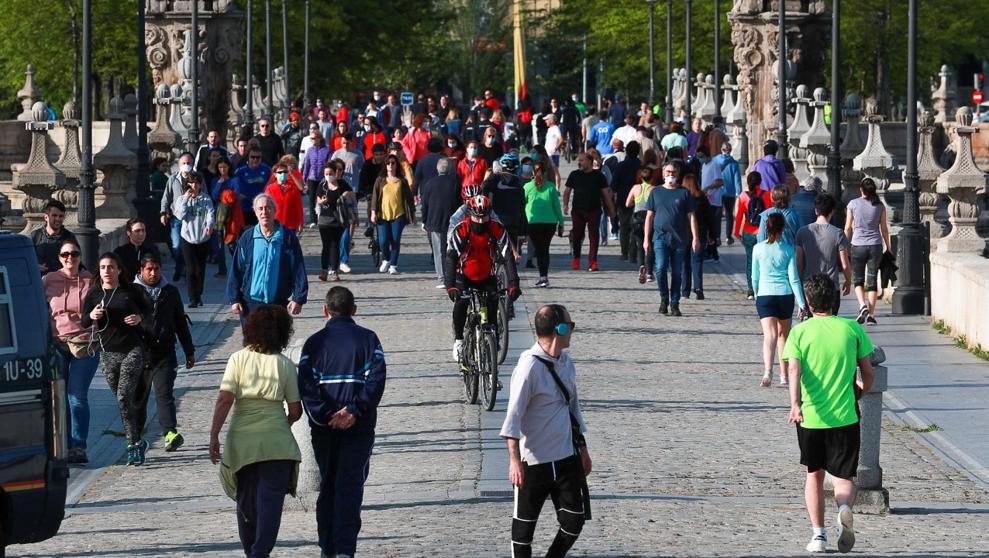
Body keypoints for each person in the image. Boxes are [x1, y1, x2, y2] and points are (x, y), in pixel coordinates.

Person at [782, 273, 875, 555]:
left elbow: (793, 369)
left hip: (810, 416)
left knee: (814, 475)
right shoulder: (852, 330)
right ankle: (844, 509)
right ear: (834, 300)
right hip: (845, 415)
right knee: (844, 478)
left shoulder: (800, 332)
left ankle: (818, 536)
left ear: (808, 302)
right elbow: (867, 372)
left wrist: (795, 403)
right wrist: (860, 391)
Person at [297, 286, 386, 558]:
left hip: (324, 429)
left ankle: (327, 547)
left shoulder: (313, 344)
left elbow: (306, 385)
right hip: (359, 427)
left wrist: (326, 415)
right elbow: (376, 380)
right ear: (354, 310)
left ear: (326, 310)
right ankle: (345, 549)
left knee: (329, 484)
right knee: (350, 485)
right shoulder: (369, 340)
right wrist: (354, 411)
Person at [209, 304, 302, 558]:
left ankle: (252, 551)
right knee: (271, 504)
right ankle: (261, 551)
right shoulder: (284, 365)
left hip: (243, 443)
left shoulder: (237, 359)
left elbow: (225, 400)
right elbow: (295, 411)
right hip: (277, 444)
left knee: (246, 503)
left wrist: (214, 435)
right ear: (283, 333)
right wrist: (282, 424)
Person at [500, 303, 591, 558]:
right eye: (570, 326)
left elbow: (574, 409)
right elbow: (513, 417)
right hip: (534, 462)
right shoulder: (529, 368)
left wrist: (582, 449)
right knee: (523, 535)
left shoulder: (566, 363)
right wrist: (514, 461)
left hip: (565, 457)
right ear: (559, 329)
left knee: (575, 521)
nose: (572, 331)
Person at [81, 252, 153, 465]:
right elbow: (84, 320)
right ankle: (138, 440)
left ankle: (132, 446)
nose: (107, 271)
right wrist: (92, 316)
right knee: (123, 402)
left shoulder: (131, 291)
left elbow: (149, 311)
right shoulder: (94, 294)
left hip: (132, 349)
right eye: (103, 267)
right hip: (107, 353)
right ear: (99, 271)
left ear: (119, 270)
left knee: (123, 397)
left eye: (111, 267)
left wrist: (139, 317)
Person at [445, 195, 521, 362]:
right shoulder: (462, 229)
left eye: (484, 217)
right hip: (464, 275)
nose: (480, 222)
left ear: (489, 215)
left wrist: (514, 283)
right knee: (461, 303)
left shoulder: (496, 228)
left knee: (493, 299)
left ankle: (492, 338)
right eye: (477, 218)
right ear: (470, 214)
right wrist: (450, 286)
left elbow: (508, 255)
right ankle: (459, 340)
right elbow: (450, 257)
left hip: (487, 274)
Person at [43, 239, 99, 464]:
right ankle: (62, 446)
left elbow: (102, 308)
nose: (70, 258)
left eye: (74, 254)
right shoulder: (48, 280)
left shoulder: (90, 281)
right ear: (59, 258)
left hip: (85, 344)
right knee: (58, 398)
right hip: (57, 345)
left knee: (76, 396)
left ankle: (78, 446)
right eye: (65, 254)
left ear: (80, 257)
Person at [133, 252, 195, 453]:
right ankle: (135, 437)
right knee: (139, 398)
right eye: (149, 269)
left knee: (164, 394)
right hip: (139, 354)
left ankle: (170, 433)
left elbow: (180, 323)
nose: (153, 273)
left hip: (164, 353)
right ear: (141, 271)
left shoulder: (170, 292)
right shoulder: (132, 292)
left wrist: (189, 351)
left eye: (156, 269)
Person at [227, 193, 309, 319]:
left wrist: (299, 298)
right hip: (250, 304)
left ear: (275, 210)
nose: (264, 212)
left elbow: (298, 269)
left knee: (277, 339)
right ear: (255, 212)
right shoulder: (247, 238)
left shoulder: (287, 237)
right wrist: (234, 299)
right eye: (260, 208)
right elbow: (237, 270)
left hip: (278, 304)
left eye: (268, 208)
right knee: (253, 339)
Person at [752, 213, 806, 388]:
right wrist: (802, 303)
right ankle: (784, 374)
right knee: (784, 335)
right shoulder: (789, 249)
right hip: (785, 294)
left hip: (765, 294)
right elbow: (794, 278)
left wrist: (756, 293)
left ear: (766, 228)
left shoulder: (758, 249)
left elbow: (754, 276)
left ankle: (768, 371)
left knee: (769, 335)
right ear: (783, 228)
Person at [643, 161, 701, 316]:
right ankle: (664, 298)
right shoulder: (655, 192)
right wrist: (646, 239)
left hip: (680, 239)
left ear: (678, 174)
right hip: (660, 237)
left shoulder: (684, 193)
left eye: (673, 172)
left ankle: (675, 303)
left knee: (676, 272)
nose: (671, 175)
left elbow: (691, 217)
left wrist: (695, 238)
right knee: (660, 268)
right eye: (668, 172)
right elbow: (649, 216)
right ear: (663, 174)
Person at [844, 178, 891, 326]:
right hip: (875, 245)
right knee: (872, 281)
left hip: (857, 245)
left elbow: (848, 227)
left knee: (858, 279)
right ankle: (871, 315)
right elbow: (884, 228)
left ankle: (861, 305)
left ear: (861, 190)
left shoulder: (853, 204)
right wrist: (888, 246)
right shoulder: (879, 206)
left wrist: (845, 245)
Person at [797, 193, 851, 316]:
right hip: (831, 286)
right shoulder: (838, 233)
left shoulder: (802, 232)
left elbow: (799, 264)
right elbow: (845, 264)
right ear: (832, 211)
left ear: (816, 211)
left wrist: (799, 287)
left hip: (809, 287)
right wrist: (848, 281)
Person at [563, 152, 617, 272]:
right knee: (577, 235)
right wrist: (565, 205)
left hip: (594, 210)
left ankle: (593, 262)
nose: (579, 163)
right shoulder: (574, 174)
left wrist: (612, 209)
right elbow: (567, 191)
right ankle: (576, 258)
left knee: (594, 236)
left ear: (589, 161)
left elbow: (606, 195)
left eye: (582, 160)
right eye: (579, 160)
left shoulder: (598, 176)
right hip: (578, 210)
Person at [174, 171, 215, 308]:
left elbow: (210, 214)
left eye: (196, 183)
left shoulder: (205, 199)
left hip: (203, 238)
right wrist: (186, 198)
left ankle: (199, 294)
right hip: (188, 237)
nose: (194, 186)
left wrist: (209, 225)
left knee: (200, 268)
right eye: (191, 183)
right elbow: (180, 215)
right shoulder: (181, 199)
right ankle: (192, 297)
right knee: (191, 269)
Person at [370, 154, 416, 274]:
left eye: (393, 163)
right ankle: (386, 259)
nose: (390, 165)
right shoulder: (380, 180)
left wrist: (412, 214)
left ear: (396, 165)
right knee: (383, 241)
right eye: (388, 163)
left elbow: (409, 199)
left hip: (398, 215)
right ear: (385, 165)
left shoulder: (402, 181)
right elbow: (375, 197)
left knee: (395, 240)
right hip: (382, 215)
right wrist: (373, 212)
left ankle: (393, 265)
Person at [421, 157, 462, 287]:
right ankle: (454, 275)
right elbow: (459, 203)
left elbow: (424, 205)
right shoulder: (455, 182)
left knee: (438, 251)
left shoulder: (429, 183)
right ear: (450, 169)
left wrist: (424, 220)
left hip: (434, 222)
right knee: (452, 249)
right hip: (452, 221)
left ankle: (442, 278)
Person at [524, 160, 565, 288]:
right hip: (550, 223)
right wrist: (561, 223)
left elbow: (522, 206)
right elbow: (557, 207)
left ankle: (543, 277)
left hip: (533, 222)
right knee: (544, 249)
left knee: (540, 249)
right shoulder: (551, 187)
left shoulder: (527, 187)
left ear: (532, 172)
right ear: (545, 172)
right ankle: (544, 276)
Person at [734, 171, 774, 299]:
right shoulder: (767, 195)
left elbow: (739, 216)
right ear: (760, 182)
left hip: (748, 233)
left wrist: (736, 232)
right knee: (764, 261)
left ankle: (751, 289)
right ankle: (762, 287)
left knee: (750, 261)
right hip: (763, 233)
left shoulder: (743, 196)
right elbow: (770, 216)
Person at [315, 162, 356, 282]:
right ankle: (324, 270)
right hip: (324, 219)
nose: (328, 176)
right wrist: (322, 201)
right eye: (326, 174)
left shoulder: (342, 183)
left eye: (330, 173)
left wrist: (347, 193)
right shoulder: (322, 185)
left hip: (339, 219)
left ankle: (334, 271)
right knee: (326, 245)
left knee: (335, 245)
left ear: (335, 173)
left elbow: (353, 193)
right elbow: (318, 199)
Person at [482, 152, 527, 258]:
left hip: (497, 218)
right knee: (510, 251)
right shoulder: (519, 184)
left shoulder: (496, 178)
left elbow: (483, 187)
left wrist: (486, 202)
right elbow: (522, 208)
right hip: (513, 221)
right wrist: (523, 231)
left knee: (492, 245)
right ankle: (513, 257)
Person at [680, 173, 712, 300]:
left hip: (683, 234)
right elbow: (710, 217)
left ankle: (685, 290)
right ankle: (698, 287)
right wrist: (713, 234)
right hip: (700, 233)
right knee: (697, 261)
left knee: (685, 263)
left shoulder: (681, 198)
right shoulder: (702, 198)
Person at [611, 141, 642, 261]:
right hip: (638, 198)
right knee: (636, 226)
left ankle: (624, 252)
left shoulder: (621, 165)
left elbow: (614, 184)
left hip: (623, 199)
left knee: (623, 226)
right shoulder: (641, 165)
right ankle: (633, 254)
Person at [626, 166, 657, 284]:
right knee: (650, 245)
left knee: (640, 246)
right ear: (652, 177)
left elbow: (627, 203)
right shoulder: (654, 189)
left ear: (640, 177)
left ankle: (641, 267)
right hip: (650, 218)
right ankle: (649, 273)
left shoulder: (635, 188)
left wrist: (636, 201)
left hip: (637, 219)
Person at [32, 199, 77, 275]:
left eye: (61, 216)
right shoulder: (35, 235)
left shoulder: (69, 237)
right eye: (54, 215)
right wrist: (34, 267)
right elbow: (26, 259)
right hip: (40, 281)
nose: (58, 219)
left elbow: (76, 260)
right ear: (46, 217)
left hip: (62, 281)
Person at [234, 147, 273, 228]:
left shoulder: (267, 170)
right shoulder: (240, 171)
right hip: (245, 208)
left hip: (262, 209)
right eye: (253, 157)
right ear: (248, 157)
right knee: (247, 233)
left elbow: (273, 185)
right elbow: (234, 187)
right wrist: (238, 195)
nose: (255, 159)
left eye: (258, 157)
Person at [114, 218, 161, 283]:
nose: (141, 233)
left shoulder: (152, 250)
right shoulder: (120, 252)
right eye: (137, 231)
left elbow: (157, 271)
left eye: (143, 230)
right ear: (129, 233)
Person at [265, 162, 305, 235]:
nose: (283, 174)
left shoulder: (294, 189)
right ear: (275, 174)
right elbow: (266, 207)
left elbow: (299, 207)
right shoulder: (269, 189)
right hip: (274, 224)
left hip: (291, 225)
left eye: (285, 172)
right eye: (280, 172)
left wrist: (300, 222)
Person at [698, 146, 724, 254]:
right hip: (706, 199)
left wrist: (708, 188)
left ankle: (713, 251)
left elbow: (719, 182)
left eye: (701, 156)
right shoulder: (704, 165)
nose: (700, 159)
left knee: (713, 226)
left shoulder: (714, 165)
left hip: (714, 200)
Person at [716, 142, 742, 246]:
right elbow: (737, 180)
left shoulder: (715, 161)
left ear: (721, 150)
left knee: (717, 215)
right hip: (730, 192)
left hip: (717, 191)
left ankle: (717, 237)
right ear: (730, 151)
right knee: (729, 215)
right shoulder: (734, 163)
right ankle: (728, 237)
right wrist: (738, 192)